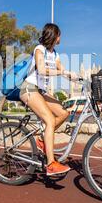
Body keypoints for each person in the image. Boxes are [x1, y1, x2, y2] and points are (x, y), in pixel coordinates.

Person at [19, 23, 79, 176]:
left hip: (41, 91)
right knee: (50, 121)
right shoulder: (40, 49)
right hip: (29, 89)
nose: (60, 38)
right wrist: (60, 73)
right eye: (59, 35)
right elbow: (41, 69)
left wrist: (75, 77)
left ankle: (41, 139)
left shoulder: (55, 54)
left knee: (63, 113)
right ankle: (51, 164)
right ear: (54, 36)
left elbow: (62, 70)